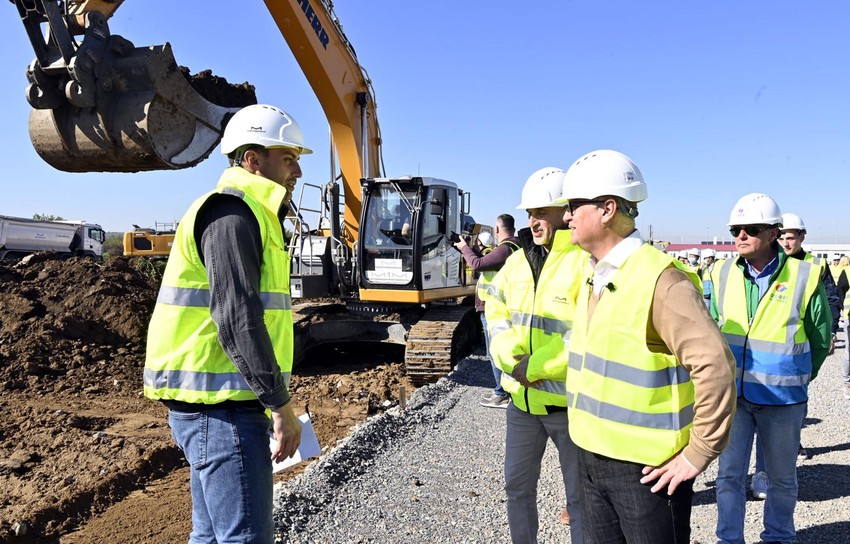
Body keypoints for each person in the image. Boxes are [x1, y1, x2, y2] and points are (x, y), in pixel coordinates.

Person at [143, 104, 305, 543]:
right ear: (252, 159)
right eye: (288, 158)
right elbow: (239, 320)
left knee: (211, 535)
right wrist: (281, 407)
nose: (297, 171)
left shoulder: (249, 213)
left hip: (218, 405)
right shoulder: (233, 215)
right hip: (222, 409)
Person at [559, 149, 736, 544]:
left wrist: (698, 452)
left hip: (646, 472)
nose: (566, 216)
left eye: (573, 206)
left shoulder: (662, 280)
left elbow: (716, 368)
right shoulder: (595, 275)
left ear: (607, 209)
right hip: (590, 456)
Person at [711, 194, 832, 544]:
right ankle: (728, 539)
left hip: (782, 399)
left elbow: (821, 338)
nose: (741, 236)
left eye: (752, 229)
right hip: (734, 397)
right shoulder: (720, 273)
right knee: (729, 477)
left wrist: (797, 375)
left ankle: (778, 536)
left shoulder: (804, 275)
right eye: (736, 229)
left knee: (781, 479)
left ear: (774, 233)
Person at [485, 167, 586, 543]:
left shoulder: (583, 261)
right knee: (516, 490)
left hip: (568, 406)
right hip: (523, 403)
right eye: (530, 213)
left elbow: (589, 329)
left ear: (566, 211)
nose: (533, 220)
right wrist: (513, 362)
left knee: (580, 500)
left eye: (541, 212)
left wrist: (537, 366)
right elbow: (496, 313)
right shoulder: (517, 261)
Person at [747, 212, 842, 499]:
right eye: (783, 236)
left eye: (792, 236)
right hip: (764, 359)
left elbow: (830, 301)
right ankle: (765, 469)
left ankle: (790, 443)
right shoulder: (767, 263)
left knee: (793, 406)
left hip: (796, 355)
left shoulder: (815, 266)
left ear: (801, 237)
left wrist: (829, 334)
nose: (786, 241)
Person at [452, 214, 520, 408]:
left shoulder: (506, 249)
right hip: (497, 306)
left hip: (494, 308)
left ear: (497, 230)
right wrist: (462, 248)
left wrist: (465, 248)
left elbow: (478, 264)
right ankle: (504, 391)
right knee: (501, 350)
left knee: (496, 351)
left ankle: (502, 393)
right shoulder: (514, 248)